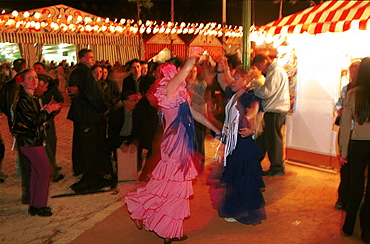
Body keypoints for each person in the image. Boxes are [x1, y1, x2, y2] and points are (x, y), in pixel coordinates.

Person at [125, 57, 221, 244]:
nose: (179, 76)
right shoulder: (168, 91)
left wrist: (216, 129)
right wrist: (193, 58)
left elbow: (196, 115)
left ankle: (158, 221)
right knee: (173, 187)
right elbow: (184, 73)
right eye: (174, 73)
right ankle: (165, 228)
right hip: (173, 145)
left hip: (180, 144)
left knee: (171, 187)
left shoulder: (179, 95)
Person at [208, 56, 266, 224]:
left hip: (243, 142)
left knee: (243, 177)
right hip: (233, 141)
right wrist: (221, 66)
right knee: (234, 176)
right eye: (233, 77)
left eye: (237, 78)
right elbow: (222, 79)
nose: (232, 80)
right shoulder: (233, 94)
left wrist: (251, 126)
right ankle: (236, 208)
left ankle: (245, 211)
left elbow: (255, 111)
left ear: (246, 82)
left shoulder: (249, 97)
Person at [12, 69, 62, 216]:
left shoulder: (30, 96)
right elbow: (33, 121)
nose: (34, 80)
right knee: (46, 172)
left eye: (35, 77)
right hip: (30, 141)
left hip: (32, 140)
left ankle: (34, 204)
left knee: (36, 172)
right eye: (29, 78)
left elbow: (35, 117)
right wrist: (47, 111)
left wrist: (47, 109)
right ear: (22, 81)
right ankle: (40, 206)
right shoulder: (23, 98)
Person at [67, 49, 108, 192]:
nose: (93, 60)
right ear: (83, 59)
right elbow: (92, 95)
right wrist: (103, 108)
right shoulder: (84, 72)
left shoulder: (76, 72)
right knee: (88, 146)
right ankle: (89, 173)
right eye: (91, 58)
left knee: (80, 143)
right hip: (87, 115)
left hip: (80, 114)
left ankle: (79, 168)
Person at [339, 57, 370, 243]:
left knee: (355, 185)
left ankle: (349, 225)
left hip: (358, 143)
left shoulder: (353, 93)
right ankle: (367, 229)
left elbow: (344, 125)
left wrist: (343, 152)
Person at [250, 54, 290, 177]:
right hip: (274, 109)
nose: (259, 70)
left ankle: (277, 167)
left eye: (258, 66)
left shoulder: (275, 72)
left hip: (275, 109)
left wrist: (255, 85)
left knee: (273, 140)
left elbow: (267, 92)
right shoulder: (275, 71)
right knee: (266, 138)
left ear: (264, 61)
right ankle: (256, 162)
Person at [0, 58, 32, 204]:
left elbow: (4, 106)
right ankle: (29, 193)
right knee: (29, 159)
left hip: (15, 126)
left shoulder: (7, 86)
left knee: (24, 155)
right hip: (24, 127)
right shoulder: (21, 86)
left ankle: (28, 191)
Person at [99, 90, 141, 188]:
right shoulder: (116, 113)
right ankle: (109, 172)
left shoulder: (139, 113)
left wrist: (134, 142)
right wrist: (120, 143)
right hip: (118, 137)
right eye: (132, 100)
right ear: (125, 101)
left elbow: (140, 131)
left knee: (138, 148)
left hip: (131, 137)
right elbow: (111, 132)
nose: (135, 102)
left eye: (136, 100)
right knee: (104, 149)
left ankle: (135, 170)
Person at [334, 60, 360, 210]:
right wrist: (339, 110)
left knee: (355, 167)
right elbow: (338, 104)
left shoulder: (363, 90)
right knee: (345, 166)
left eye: (356, 72)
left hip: (356, 132)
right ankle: (343, 198)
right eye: (351, 72)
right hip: (346, 130)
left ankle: (352, 199)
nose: (352, 75)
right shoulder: (346, 88)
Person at [122, 59, 157, 171]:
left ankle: (150, 163)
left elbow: (152, 94)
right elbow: (124, 94)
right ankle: (136, 162)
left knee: (149, 136)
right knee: (136, 135)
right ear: (130, 69)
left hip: (147, 111)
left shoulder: (148, 79)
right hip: (134, 110)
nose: (136, 70)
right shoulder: (127, 80)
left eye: (138, 67)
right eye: (134, 67)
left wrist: (142, 96)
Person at [34, 62, 65, 183]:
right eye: (35, 69)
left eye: (39, 69)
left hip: (48, 120)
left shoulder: (51, 84)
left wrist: (52, 113)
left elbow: (60, 99)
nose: (37, 71)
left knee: (51, 143)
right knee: (44, 147)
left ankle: (52, 166)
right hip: (37, 123)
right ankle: (51, 172)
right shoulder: (28, 88)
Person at [185, 65, 208, 174]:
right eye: (189, 71)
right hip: (186, 117)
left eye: (194, 71)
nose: (191, 74)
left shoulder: (201, 84)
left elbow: (203, 100)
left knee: (199, 140)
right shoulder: (182, 84)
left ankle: (199, 165)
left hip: (199, 116)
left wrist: (191, 90)